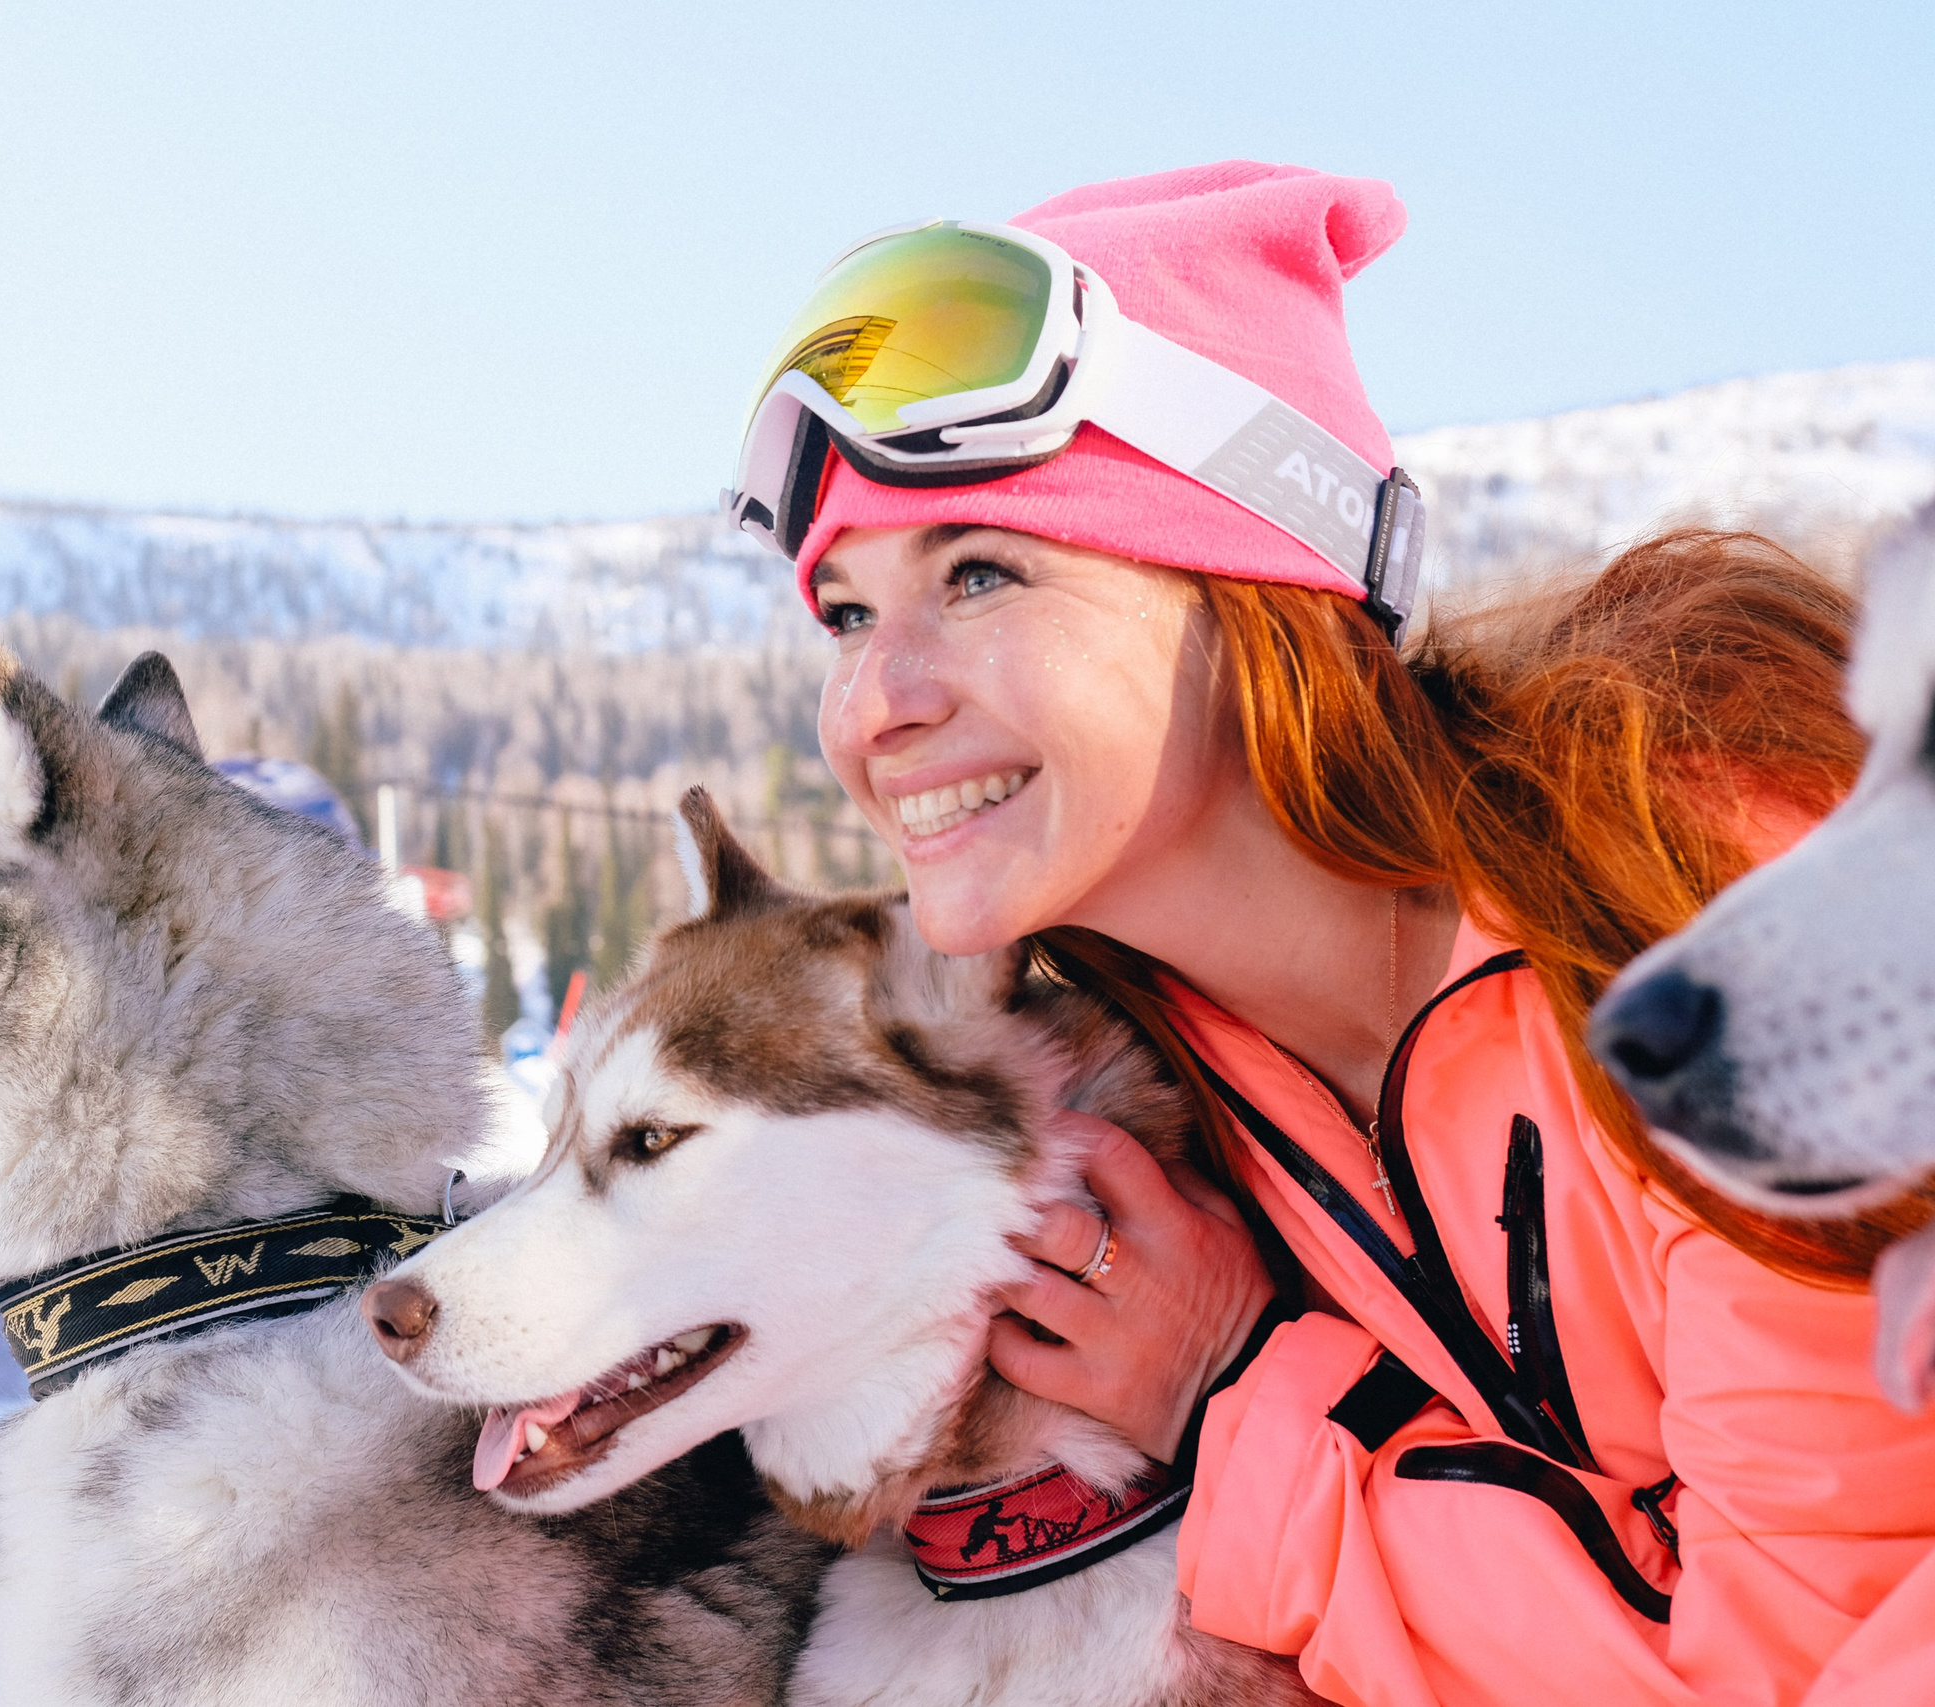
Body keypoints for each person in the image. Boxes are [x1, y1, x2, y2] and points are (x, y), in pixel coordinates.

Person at [728, 161, 1935, 1705]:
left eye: (979, 574)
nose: (872, 705)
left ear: (1252, 591)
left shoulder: (1688, 893)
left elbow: (1797, 1659)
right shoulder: (1138, 1109)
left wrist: (1237, 1397)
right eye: (841, 612)